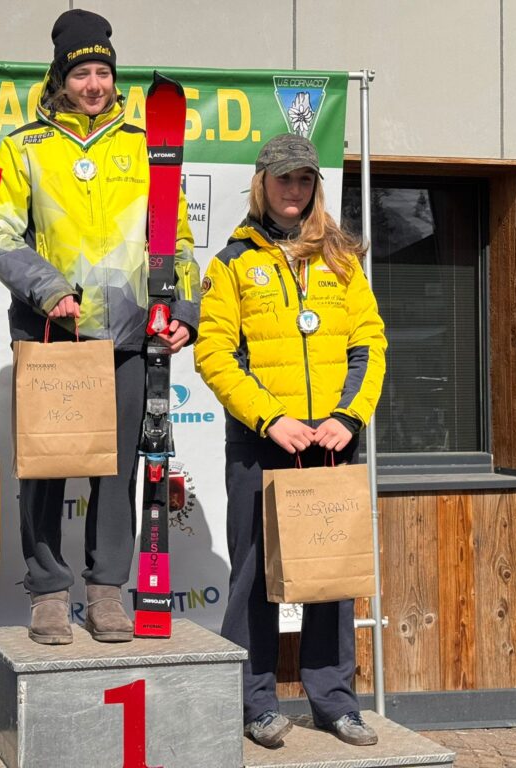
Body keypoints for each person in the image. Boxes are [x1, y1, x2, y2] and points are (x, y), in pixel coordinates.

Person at [0, 8, 200, 645]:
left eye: (103, 72)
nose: (94, 85)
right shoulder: (25, 146)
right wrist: (48, 290)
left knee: (118, 469)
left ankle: (106, 592)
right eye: (81, 74)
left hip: (129, 335)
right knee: (46, 467)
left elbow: (177, 240)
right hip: (53, 334)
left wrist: (183, 311)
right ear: (61, 77)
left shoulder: (145, 145)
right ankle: (48, 591)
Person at [194, 133, 387, 747]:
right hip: (262, 441)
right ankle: (254, 703)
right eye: (284, 179)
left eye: (305, 179)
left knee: (330, 577)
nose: (294, 190)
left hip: (331, 440)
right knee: (254, 576)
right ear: (262, 183)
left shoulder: (343, 260)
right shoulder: (232, 263)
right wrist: (271, 419)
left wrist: (348, 418)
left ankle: (335, 703)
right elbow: (214, 353)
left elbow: (369, 345)